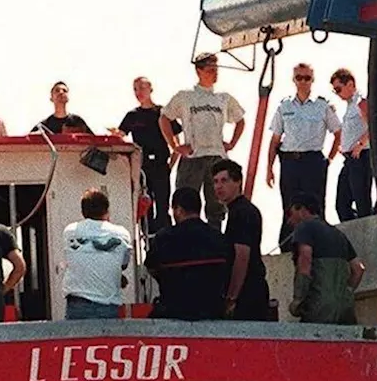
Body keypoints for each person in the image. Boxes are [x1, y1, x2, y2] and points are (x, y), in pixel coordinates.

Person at [160, 52, 246, 229]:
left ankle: (214, 241)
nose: (215, 73)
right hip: (193, 157)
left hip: (216, 157)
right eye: (210, 69)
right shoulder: (185, 96)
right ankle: (186, 241)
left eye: (216, 69)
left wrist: (231, 143)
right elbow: (164, 118)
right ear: (199, 71)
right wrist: (175, 146)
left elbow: (240, 120)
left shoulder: (223, 98)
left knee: (216, 205)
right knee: (186, 201)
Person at [266, 63, 342, 247]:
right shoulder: (284, 106)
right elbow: (275, 140)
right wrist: (269, 168)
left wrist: (329, 160)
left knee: (315, 205)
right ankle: (288, 246)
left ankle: (319, 244)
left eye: (306, 78)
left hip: (313, 161)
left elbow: (338, 133)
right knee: (289, 205)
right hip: (290, 162)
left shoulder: (322, 106)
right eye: (299, 77)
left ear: (312, 80)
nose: (303, 82)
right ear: (293, 80)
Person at [144, 187, 231, 321]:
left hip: (173, 312)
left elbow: (151, 267)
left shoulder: (164, 237)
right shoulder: (217, 237)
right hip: (212, 312)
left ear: (178, 210)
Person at [284, 193, 364, 325]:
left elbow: (305, 260)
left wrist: (298, 300)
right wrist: (346, 293)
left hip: (318, 310)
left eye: (290, 213)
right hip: (345, 311)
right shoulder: (339, 235)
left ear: (302, 209)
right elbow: (358, 269)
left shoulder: (304, 227)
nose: (289, 221)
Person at [117, 76, 180, 235]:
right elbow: (120, 135)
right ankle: (149, 242)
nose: (138, 92)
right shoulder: (132, 115)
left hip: (160, 165)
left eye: (142, 88)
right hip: (142, 168)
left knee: (163, 207)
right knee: (145, 207)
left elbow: (176, 141)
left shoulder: (162, 112)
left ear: (150, 90)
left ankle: (167, 240)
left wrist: (170, 165)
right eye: (135, 89)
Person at [211, 159, 271, 321]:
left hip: (248, 292)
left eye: (224, 181)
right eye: (215, 182)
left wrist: (231, 298)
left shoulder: (241, 212)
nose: (218, 186)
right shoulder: (238, 211)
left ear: (237, 182)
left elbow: (242, 256)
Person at [61, 188, 132, 320]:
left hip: (77, 306)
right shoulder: (122, 233)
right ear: (107, 210)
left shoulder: (70, 232)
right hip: (108, 306)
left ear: (83, 212)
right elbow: (123, 265)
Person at [330, 68, 372, 221]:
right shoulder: (349, 106)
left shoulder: (360, 102)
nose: (338, 94)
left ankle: (366, 232)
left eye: (338, 89)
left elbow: (373, 127)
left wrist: (360, 144)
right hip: (349, 159)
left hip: (360, 157)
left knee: (362, 202)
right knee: (341, 204)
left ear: (350, 84)